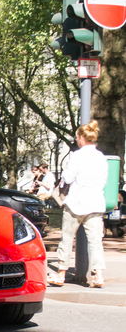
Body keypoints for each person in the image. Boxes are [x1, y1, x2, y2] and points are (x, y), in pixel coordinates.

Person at [49, 120, 108, 288]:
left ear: (82, 138)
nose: (76, 140)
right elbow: (103, 182)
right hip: (95, 204)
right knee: (96, 242)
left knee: (66, 239)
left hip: (75, 203)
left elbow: (68, 178)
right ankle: (98, 276)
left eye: (77, 137)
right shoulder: (101, 158)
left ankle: (60, 273)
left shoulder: (76, 156)